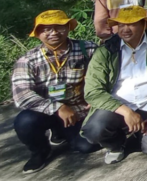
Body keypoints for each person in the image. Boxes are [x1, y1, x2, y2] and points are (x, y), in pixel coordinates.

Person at [82, 6, 147, 164]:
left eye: (132, 24)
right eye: (120, 25)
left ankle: (138, 134)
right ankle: (115, 145)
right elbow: (93, 91)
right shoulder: (105, 50)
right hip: (117, 106)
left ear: (144, 25)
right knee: (94, 130)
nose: (125, 29)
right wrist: (127, 112)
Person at [12, 11, 100, 174]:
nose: (53, 33)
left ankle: (60, 132)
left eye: (59, 27)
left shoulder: (87, 49)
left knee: (87, 146)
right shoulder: (28, 60)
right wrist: (58, 108)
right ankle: (40, 151)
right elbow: (21, 95)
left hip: (78, 110)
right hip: (44, 111)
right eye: (46, 29)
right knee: (24, 122)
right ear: (38, 34)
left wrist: (94, 99)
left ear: (68, 28)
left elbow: (103, 77)